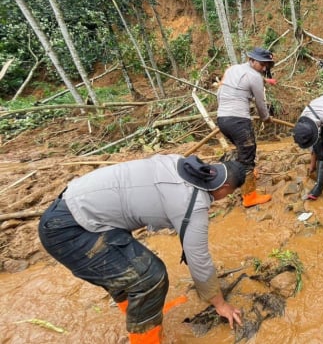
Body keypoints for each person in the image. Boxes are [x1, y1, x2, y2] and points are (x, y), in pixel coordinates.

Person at [38, 155, 246, 343]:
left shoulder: (180, 162)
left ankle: (141, 316)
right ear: (225, 187)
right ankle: (145, 338)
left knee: (129, 269)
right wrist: (220, 304)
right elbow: (199, 260)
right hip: (68, 230)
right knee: (149, 277)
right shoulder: (193, 203)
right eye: (230, 193)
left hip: (73, 210)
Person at [216, 47, 275, 208]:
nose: (264, 68)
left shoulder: (233, 69)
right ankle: (249, 196)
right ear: (252, 60)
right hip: (239, 120)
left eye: (266, 66)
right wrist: (266, 118)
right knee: (248, 155)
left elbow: (219, 93)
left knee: (242, 150)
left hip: (222, 119)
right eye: (262, 64)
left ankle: (244, 176)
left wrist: (224, 113)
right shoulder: (254, 76)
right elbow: (260, 102)